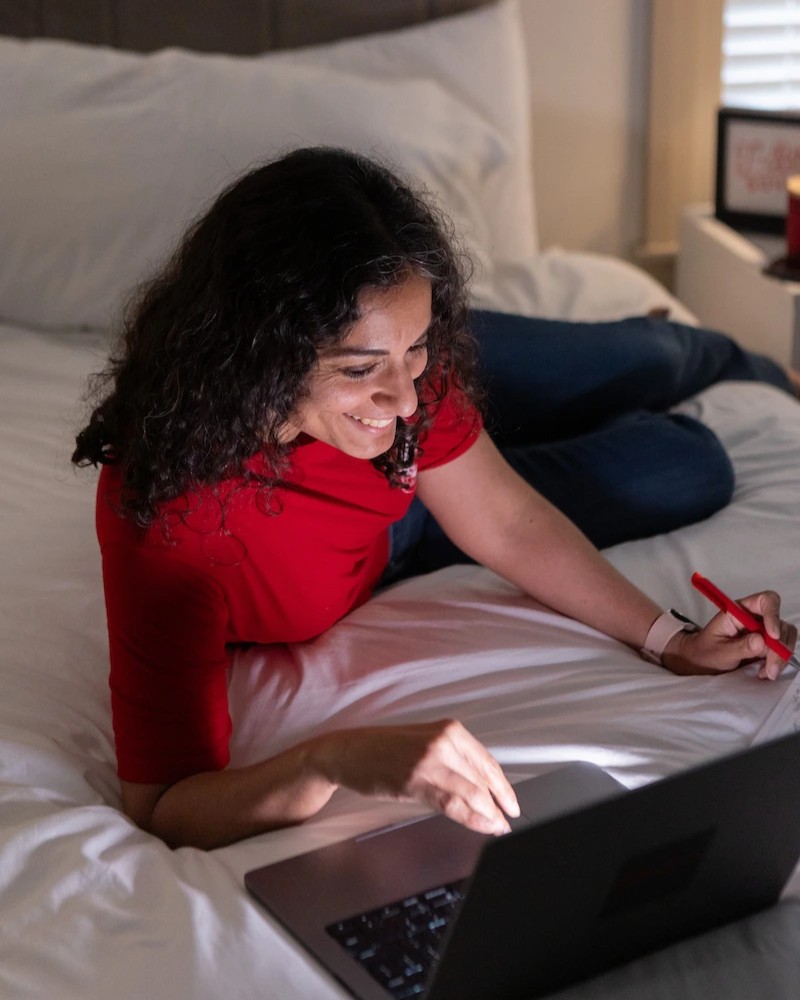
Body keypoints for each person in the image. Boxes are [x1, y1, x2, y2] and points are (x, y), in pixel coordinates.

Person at [73, 146, 798, 850]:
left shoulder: (407, 366)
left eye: (416, 350)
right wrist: (330, 761)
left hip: (424, 470)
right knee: (688, 464)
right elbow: (165, 805)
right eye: (360, 369)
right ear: (263, 353)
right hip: (408, 530)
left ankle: (720, 361)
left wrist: (672, 643)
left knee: (662, 358)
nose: (405, 400)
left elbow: (507, 520)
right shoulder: (170, 519)